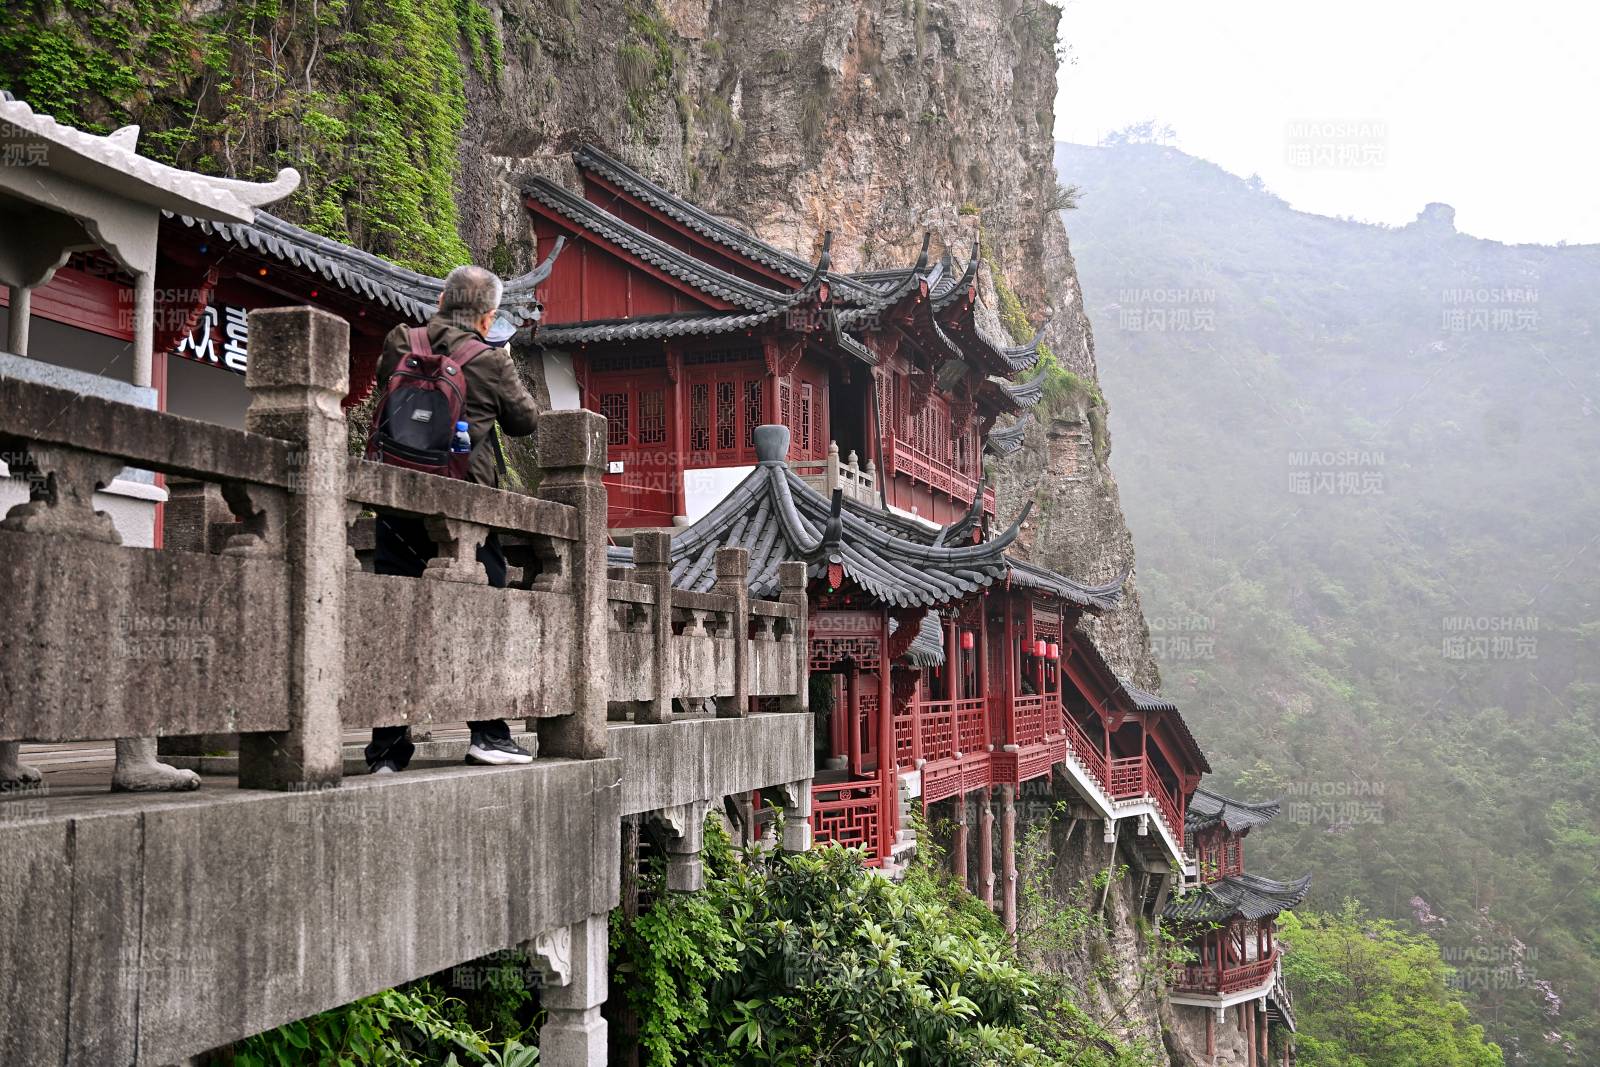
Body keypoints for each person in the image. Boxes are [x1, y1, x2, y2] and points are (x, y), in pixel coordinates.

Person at [366, 265, 540, 772]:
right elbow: (525, 422)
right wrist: (498, 359)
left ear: (440, 298)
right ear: (489, 317)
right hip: (466, 509)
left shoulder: (403, 338)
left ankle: (386, 750)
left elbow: (384, 388)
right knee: (481, 619)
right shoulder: (488, 359)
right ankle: (488, 734)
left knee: (395, 619)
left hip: (397, 500)